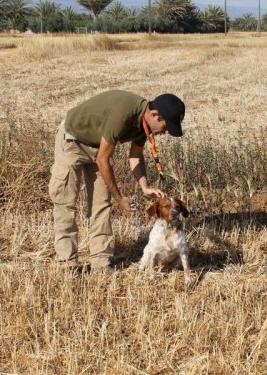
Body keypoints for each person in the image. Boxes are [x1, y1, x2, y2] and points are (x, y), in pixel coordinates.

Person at [48, 90, 185, 271]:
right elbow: (103, 160)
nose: (166, 132)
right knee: (66, 202)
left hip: (98, 147)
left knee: (102, 204)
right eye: (166, 127)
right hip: (72, 141)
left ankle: (100, 263)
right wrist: (121, 199)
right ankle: (67, 263)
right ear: (154, 115)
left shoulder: (145, 124)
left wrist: (144, 187)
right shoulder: (122, 114)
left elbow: (135, 155)